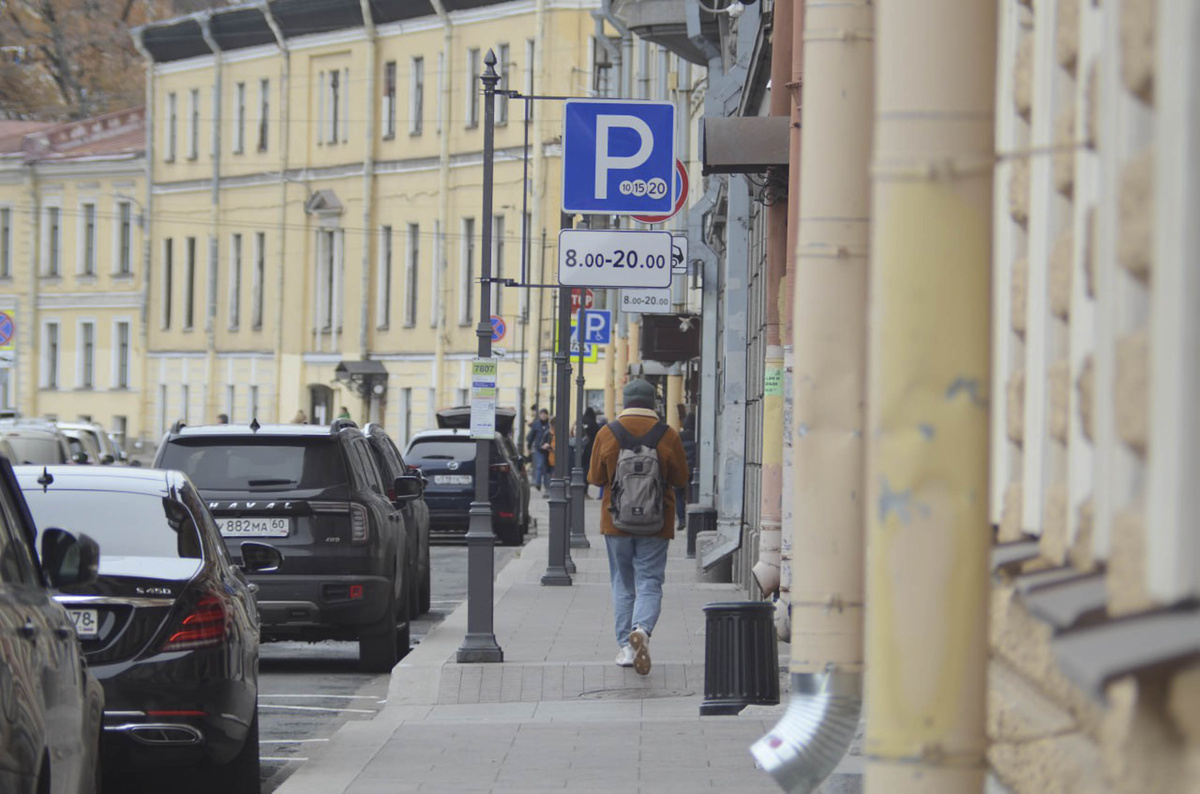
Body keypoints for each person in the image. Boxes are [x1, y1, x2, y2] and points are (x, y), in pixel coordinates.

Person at [587, 379, 689, 675]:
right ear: (652, 404)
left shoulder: (608, 433)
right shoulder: (668, 435)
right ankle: (641, 630)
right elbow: (680, 478)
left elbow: (595, 477)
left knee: (622, 580)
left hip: (615, 520)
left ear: (625, 401)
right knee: (650, 580)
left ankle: (625, 646)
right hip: (657, 522)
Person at [677, 413, 697, 526]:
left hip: (681, 468)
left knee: (679, 494)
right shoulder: (697, 436)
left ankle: (681, 519)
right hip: (694, 468)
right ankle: (692, 515)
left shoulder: (679, 436)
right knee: (693, 492)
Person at [527, 408, 551, 491]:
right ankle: (538, 483)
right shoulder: (536, 424)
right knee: (539, 465)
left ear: (547, 415)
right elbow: (531, 436)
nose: (543, 415)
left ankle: (546, 485)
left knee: (546, 468)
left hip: (548, 450)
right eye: (542, 414)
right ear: (540, 415)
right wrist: (529, 446)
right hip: (539, 449)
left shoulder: (550, 424)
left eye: (545, 414)